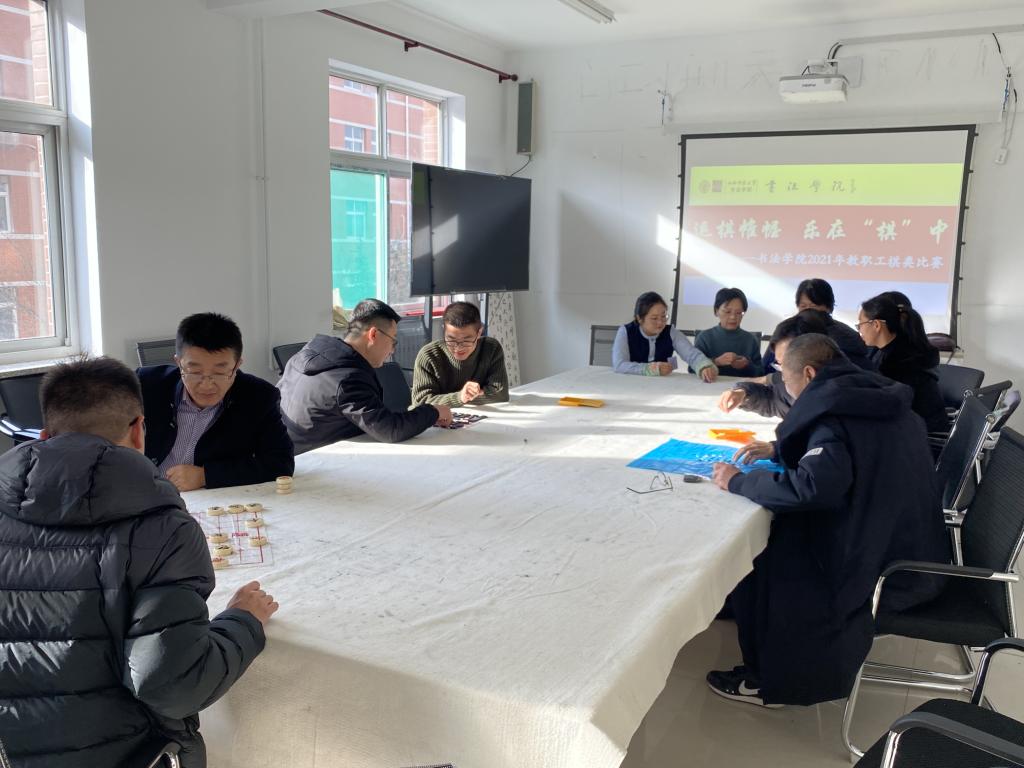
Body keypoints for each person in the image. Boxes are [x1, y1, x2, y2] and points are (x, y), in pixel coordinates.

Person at [0, 357, 278, 768]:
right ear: (138, 430)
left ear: (44, 436)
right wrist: (242, 620)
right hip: (124, 751)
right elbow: (174, 685)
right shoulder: (164, 529)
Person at [706, 334, 949, 707]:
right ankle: (739, 616)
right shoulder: (871, 393)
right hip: (913, 543)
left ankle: (766, 680)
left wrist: (737, 480)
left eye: (787, 380)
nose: (787, 391)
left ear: (808, 373)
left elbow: (812, 488)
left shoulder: (833, 414)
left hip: (888, 568)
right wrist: (781, 452)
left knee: (765, 553)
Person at [138, 312, 294, 491]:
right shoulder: (145, 385)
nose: (206, 385)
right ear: (179, 363)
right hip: (142, 492)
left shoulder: (258, 397)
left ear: (236, 365)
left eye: (220, 373)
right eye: (195, 372)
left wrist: (205, 475)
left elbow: (281, 462)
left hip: (209, 498)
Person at [278, 298, 452, 453]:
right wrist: (433, 411)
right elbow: (390, 430)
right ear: (373, 334)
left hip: (284, 450)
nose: (392, 350)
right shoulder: (347, 378)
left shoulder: (304, 354)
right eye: (393, 340)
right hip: (313, 462)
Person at [857, 294, 947, 433]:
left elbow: (887, 405)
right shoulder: (884, 350)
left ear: (876, 325)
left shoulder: (900, 362)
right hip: (906, 427)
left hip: (920, 434)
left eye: (860, 324)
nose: (859, 330)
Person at [762, 278, 874, 372]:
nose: (808, 311)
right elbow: (765, 367)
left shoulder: (842, 336)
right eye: (803, 306)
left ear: (828, 307)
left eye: (813, 306)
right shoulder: (789, 330)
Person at [411, 301, 509, 407]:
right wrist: (460, 398)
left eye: (466, 341)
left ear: (479, 333)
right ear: (444, 330)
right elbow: (420, 404)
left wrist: (463, 399)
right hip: (439, 417)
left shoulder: (491, 348)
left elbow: (500, 394)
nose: (458, 348)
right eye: (451, 339)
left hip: (477, 414)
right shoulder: (428, 356)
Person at [612, 291, 717, 381]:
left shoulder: (671, 332)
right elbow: (619, 365)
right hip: (631, 383)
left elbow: (691, 354)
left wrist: (704, 366)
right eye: (654, 318)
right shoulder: (625, 331)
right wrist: (650, 369)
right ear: (639, 318)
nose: (660, 322)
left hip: (662, 384)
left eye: (663, 316)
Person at [694, 287, 763, 377]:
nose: (733, 317)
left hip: (742, 385)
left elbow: (761, 373)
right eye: (727, 312)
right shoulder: (704, 337)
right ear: (716, 311)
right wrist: (716, 362)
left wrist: (747, 365)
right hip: (711, 384)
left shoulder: (750, 340)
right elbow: (691, 369)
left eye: (739, 313)